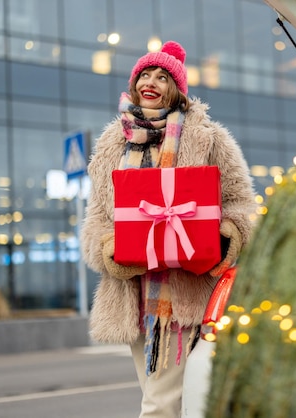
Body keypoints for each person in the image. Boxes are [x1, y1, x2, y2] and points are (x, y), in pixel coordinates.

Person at [80, 40, 256, 418]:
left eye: (163, 76)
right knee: (171, 403)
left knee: (158, 406)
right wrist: (110, 250)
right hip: (134, 295)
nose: (152, 82)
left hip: (186, 292)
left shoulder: (209, 137)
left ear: (176, 89)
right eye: (145, 74)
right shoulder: (112, 143)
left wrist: (226, 235)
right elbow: (96, 219)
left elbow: (242, 203)